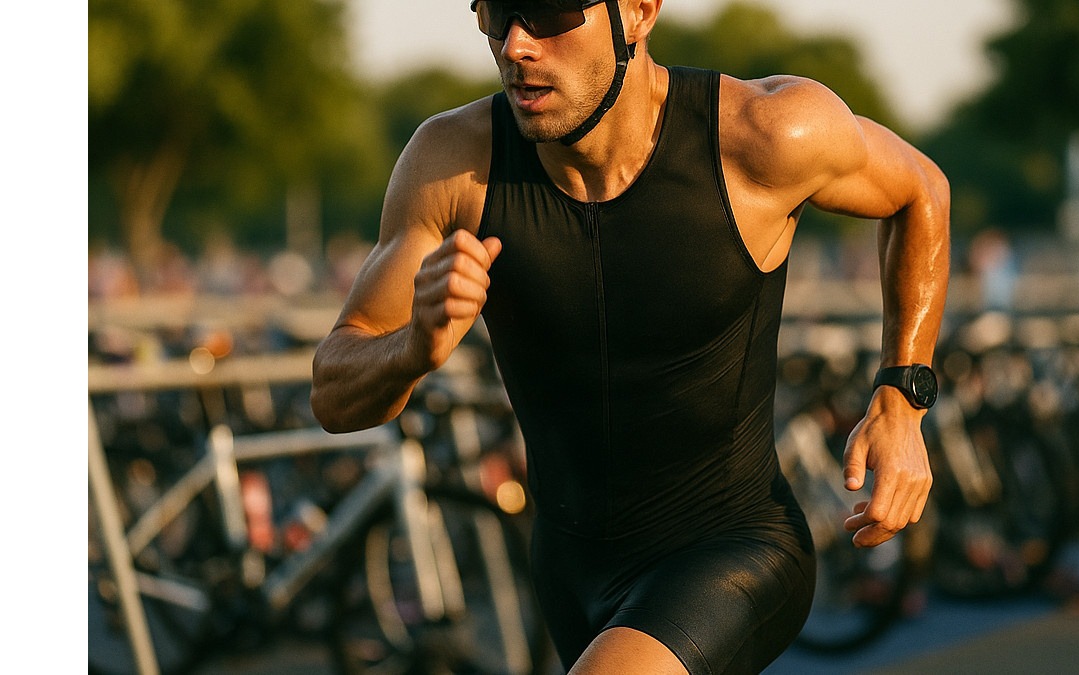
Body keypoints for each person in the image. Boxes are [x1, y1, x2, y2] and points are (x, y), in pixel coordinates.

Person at [310, 1, 950, 673]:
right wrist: (413, 344)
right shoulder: (453, 164)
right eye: (497, 11)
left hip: (734, 547)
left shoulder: (763, 134)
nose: (517, 44)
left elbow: (919, 191)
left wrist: (902, 396)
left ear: (639, 12)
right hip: (567, 572)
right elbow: (334, 392)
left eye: (550, 11)